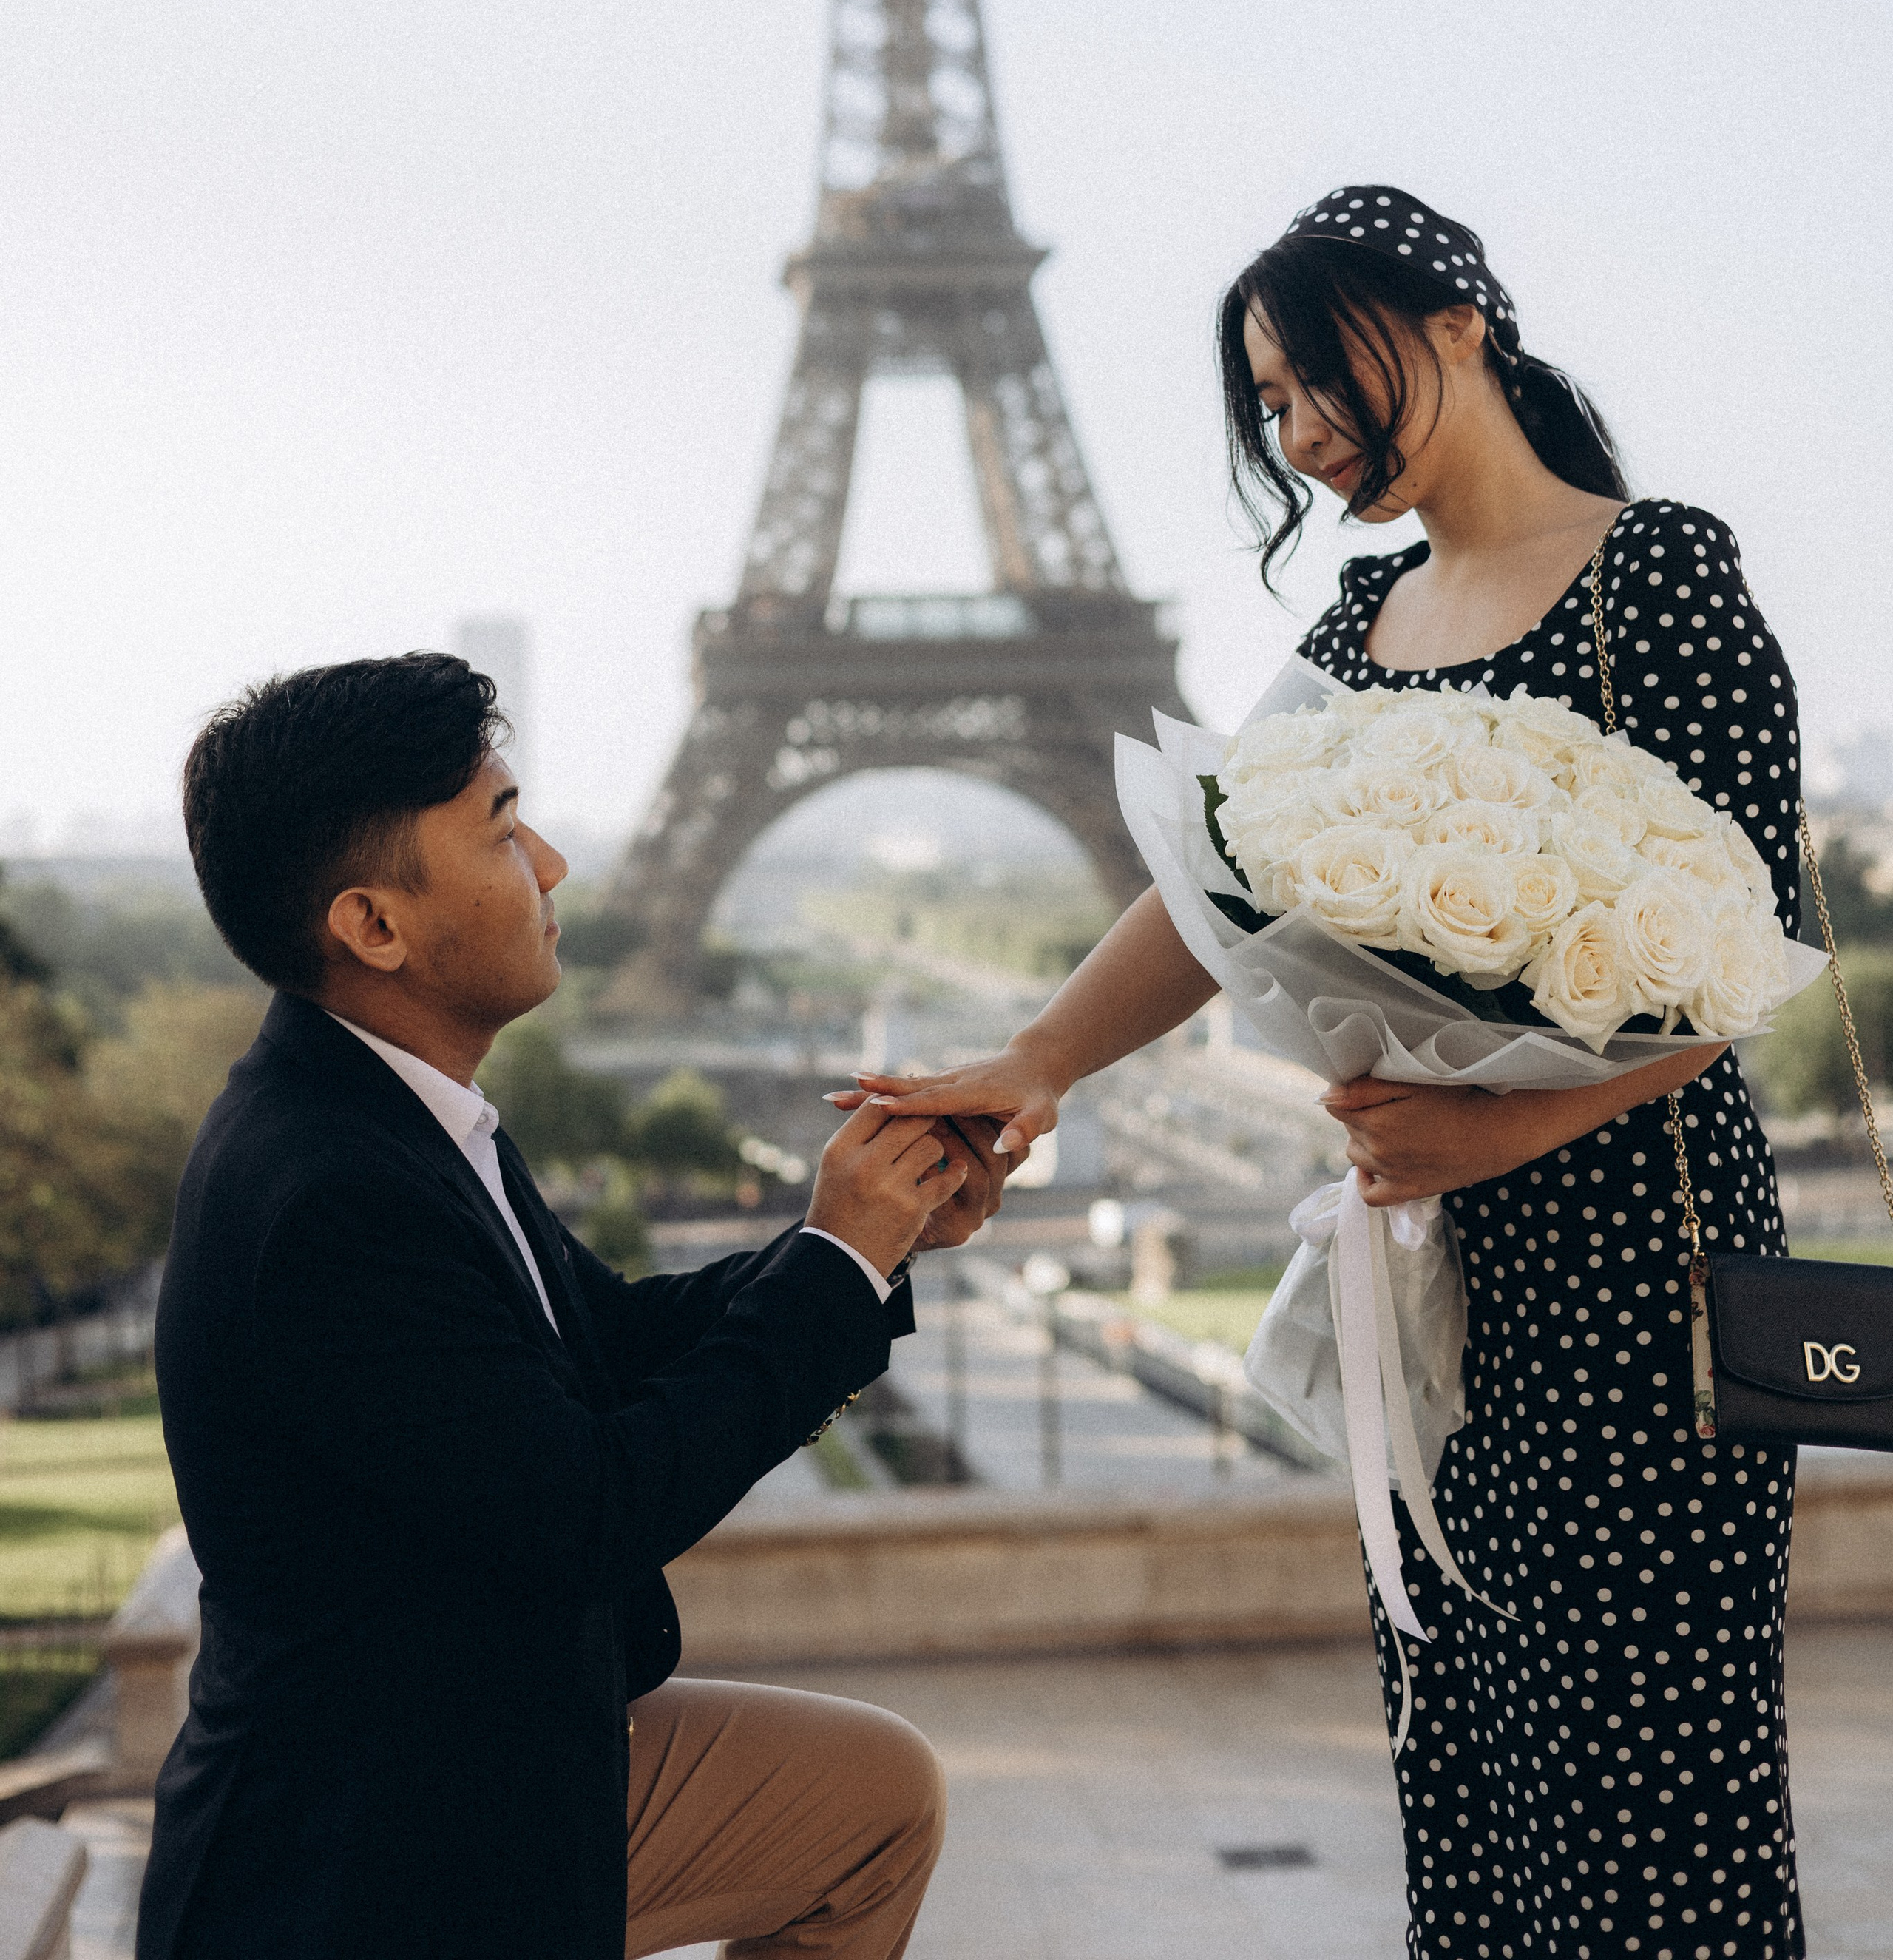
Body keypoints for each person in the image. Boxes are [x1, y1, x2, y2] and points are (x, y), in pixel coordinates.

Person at [848, 186, 1806, 1959]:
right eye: (1267, 407)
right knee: (1468, 1750)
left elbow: (1740, 954)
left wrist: (1490, 1121)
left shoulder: (1657, 569)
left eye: (1308, 381)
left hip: (1632, 1270)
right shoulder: (1361, 619)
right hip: (1436, 1268)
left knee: (1649, 1783)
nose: (1293, 437)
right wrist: (1037, 1061)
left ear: (1457, 320)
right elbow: (1218, 872)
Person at [140, 652, 1010, 1960]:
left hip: (466, 1745)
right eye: (499, 829)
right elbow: (590, 1511)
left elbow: (601, 1341)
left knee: (873, 1799)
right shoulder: (331, 1193)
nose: (551, 864)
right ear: (375, 927)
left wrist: (871, 1242)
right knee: (872, 1806)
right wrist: (832, 1265)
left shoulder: (388, 1116)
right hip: (369, 1853)